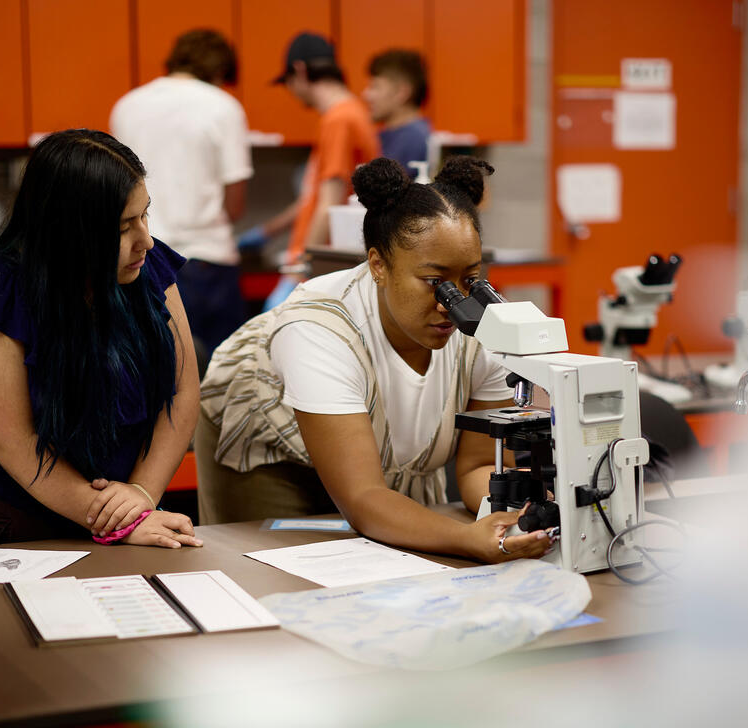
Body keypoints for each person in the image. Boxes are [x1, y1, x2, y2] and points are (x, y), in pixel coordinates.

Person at [198, 156, 551, 563]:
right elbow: (363, 497)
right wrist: (469, 539)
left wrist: (520, 514)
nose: (452, 303)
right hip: (272, 442)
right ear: (378, 265)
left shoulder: (484, 328)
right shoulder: (319, 329)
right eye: (435, 283)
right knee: (286, 575)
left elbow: (476, 468)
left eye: (469, 279)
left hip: (381, 468)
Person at [0, 129, 202, 549]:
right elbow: (10, 439)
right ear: (68, 231)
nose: (146, 241)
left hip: (135, 511)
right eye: (123, 227)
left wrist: (140, 496)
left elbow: (184, 390)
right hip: (24, 529)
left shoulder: (148, 268)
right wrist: (115, 520)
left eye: (145, 215)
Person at [111, 30, 253, 373]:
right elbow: (235, 201)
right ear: (220, 72)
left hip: (139, 259)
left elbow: (113, 186)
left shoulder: (128, 105)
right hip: (207, 262)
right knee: (223, 380)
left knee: (154, 376)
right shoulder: (223, 106)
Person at [238, 32, 379, 263]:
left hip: (326, 260)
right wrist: (267, 231)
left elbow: (329, 201)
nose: (291, 91)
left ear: (300, 70)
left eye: (288, 82)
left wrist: (303, 267)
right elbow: (314, 195)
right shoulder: (350, 114)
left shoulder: (339, 120)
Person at [364, 49, 431, 177]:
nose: (367, 95)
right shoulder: (391, 136)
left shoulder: (413, 140)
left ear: (402, 92)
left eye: (375, 87)